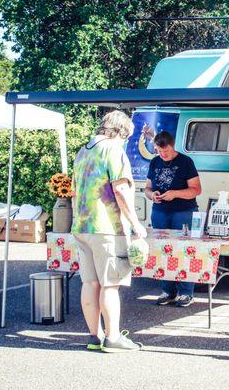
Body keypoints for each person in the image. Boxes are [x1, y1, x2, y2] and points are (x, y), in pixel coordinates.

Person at [71, 110, 147, 353]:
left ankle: (94, 336)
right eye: (127, 137)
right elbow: (121, 190)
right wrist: (136, 224)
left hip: (82, 225)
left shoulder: (83, 151)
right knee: (110, 284)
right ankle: (113, 337)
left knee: (90, 283)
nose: (126, 142)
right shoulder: (114, 150)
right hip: (107, 228)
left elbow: (74, 190)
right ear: (121, 132)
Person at [144, 130, 202, 307]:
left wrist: (175, 194)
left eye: (166, 152)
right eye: (160, 152)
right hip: (160, 211)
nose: (163, 155)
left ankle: (186, 293)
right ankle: (167, 291)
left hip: (183, 211)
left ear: (172, 146)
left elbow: (196, 189)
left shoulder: (185, 162)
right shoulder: (155, 162)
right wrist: (151, 195)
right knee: (163, 249)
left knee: (185, 249)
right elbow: (147, 188)